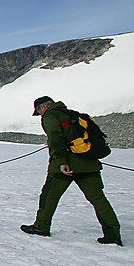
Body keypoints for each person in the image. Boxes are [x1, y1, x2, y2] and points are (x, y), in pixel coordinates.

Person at [21, 96, 122, 246]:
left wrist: (61, 162)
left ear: (43, 107)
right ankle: (112, 234)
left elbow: (56, 139)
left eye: (39, 111)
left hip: (66, 165)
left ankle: (41, 226)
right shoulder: (72, 114)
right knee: (98, 199)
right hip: (89, 163)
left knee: (49, 195)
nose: (40, 115)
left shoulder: (50, 116)